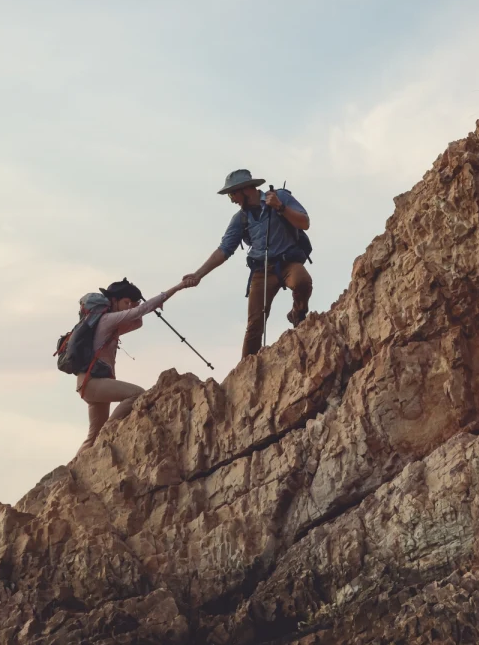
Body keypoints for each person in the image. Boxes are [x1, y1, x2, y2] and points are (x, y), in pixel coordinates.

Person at [183, 169, 312, 358]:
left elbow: (305, 222)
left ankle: (297, 312)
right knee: (254, 325)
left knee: (302, 281)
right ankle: (247, 368)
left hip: (287, 262)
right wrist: (198, 274)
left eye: (232, 193)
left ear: (246, 190)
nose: (232, 199)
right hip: (261, 270)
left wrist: (280, 208)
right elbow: (223, 250)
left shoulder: (280, 197)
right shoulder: (240, 218)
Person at [76, 276, 191, 453]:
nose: (130, 306)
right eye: (127, 302)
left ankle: (73, 471)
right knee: (137, 394)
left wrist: (138, 307)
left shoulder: (110, 323)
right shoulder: (107, 320)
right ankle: (110, 432)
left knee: (93, 438)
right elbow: (141, 312)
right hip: (92, 382)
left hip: (92, 383)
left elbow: (138, 321)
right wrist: (177, 288)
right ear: (116, 301)